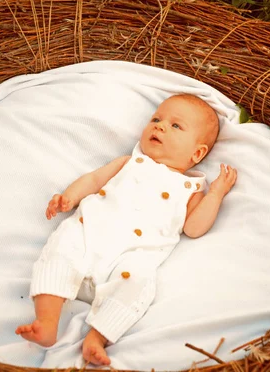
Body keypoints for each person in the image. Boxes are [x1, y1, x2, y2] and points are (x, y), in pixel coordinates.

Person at [15, 93, 237, 365]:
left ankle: (98, 336)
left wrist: (216, 193)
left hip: (130, 259)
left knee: (139, 284)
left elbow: (193, 228)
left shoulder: (190, 189)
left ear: (198, 152)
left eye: (176, 126)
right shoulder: (129, 163)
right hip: (89, 236)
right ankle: (47, 322)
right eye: (156, 119)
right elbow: (94, 179)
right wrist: (69, 197)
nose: (160, 126)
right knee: (62, 247)